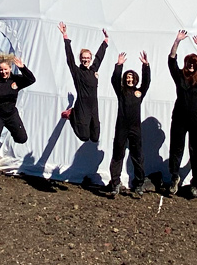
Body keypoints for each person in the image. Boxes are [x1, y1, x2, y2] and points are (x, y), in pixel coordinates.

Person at [167, 30, 197, 196]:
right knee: (176, 147)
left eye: (194, 63)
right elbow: (171, 60)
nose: (191, 65)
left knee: (196, 148)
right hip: (179, 116)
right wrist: (177, 42)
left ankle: (195, 181)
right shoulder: (179, 76)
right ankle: (174, 178)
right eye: (189, 63)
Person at [107, 51, 151, 198]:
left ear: (135, 79)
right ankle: (115, 184)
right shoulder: (121, 91)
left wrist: (146, 66)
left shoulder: (139, 92)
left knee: (137, 155)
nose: (129, 79)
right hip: (121, 127)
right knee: (117, 155)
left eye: (132, 77)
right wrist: (119, 65)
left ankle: (139, 184)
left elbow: (147, 82)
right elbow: (114, 80)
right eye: (127, 77)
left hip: (135, 128)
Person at [58, 22, 109, 142]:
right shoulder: (77, 72)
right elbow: (69, 58)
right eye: (83, 58)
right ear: (80, 59)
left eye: (88, 58)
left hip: (94, 105)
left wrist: (106, 41)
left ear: (90, 59)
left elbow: (99, 58)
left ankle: (76, 115)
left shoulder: (93, 70)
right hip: (82, 106)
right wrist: (65, 37)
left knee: (95, 138)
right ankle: (72, 114)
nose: (86, 60)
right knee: (84, 137)